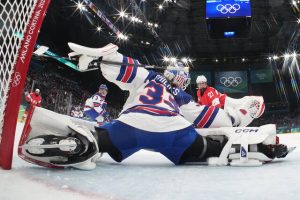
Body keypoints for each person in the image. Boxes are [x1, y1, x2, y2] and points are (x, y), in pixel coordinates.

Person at [18, 43, 289, 170]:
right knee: (210, 149)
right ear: (183, 81)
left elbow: (125, 68)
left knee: (104, 138)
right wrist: (239, 116)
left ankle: (80, 145)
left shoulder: (148, 75)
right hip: (174, 132)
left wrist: (101, 60)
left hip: (131, 126)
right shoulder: (183, 99)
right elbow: (211, 118)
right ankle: (257, 149)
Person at [195, 75, 265, 127]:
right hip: (222, 105)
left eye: (203, 83)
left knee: (238, 108)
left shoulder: (210, 91)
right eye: (200, 84)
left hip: (225, 103)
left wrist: (215, 118)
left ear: (206, 83)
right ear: (198, 84)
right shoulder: (198, 92)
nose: (201, 85)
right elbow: (200, 104)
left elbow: (217, 105)